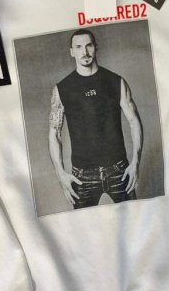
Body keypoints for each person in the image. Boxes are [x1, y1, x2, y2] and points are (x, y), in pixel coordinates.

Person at [48, 28, 143, 209]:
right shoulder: (62, 89)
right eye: (78, 47)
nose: (84, 52)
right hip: (82, 176)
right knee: (83, 225)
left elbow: (134, 121)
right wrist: (60, 174)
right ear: (72, 52)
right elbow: (55, 133)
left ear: (95, 47)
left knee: (135, 220)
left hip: (119, 171)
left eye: (88, 45)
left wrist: (135, 163)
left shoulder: (116, 82)